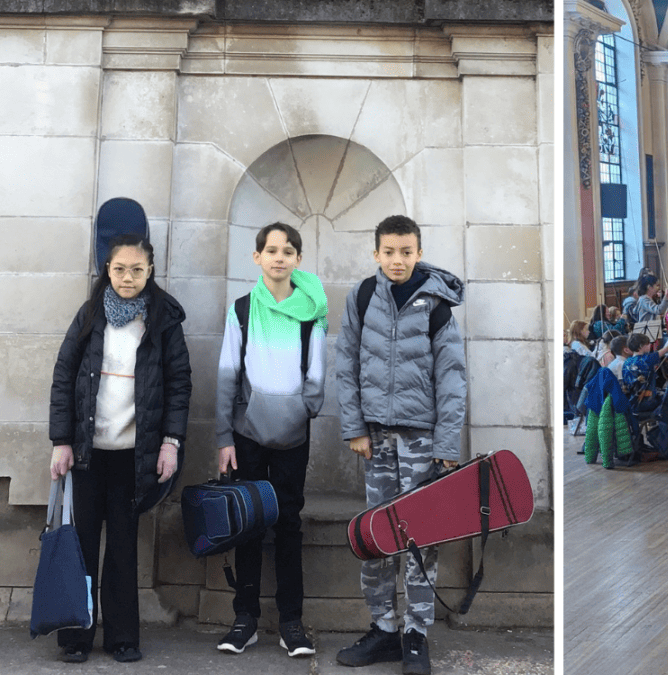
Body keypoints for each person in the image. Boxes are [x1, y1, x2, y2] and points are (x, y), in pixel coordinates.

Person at [49, 234, 192, 663]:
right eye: (119, 269)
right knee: (84, 543)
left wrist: (171, 443)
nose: (127, 277)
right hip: (88, 452)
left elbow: (179, 385)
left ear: (150, 271)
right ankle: (76, 636)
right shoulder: (90, 315)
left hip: (135, 455)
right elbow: (63, 375)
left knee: (124, 548)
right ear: (106, 271)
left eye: (136, 270)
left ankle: (123, 637)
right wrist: (61, 441)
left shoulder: (164, 319)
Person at [334, 215, 466, 674]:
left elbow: (452, 377)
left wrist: (447, 443)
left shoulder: (436, 305)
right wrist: (354, 428)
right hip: (375, 441)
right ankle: (384, 629)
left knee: (420, 539)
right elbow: (346, 361)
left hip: (421, 440)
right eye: (389, 252)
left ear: (418, 251)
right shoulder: (363, 296)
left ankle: (415, 635)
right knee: (378, 536)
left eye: (406, 252)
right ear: (376, 253)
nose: (397, 260)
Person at [215, 223, 328, 658]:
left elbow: (316, 374)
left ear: (298, 259)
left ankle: (291, 622)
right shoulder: (242, 309)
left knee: (288, 524)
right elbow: (229, 372)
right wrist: (225, 435)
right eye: (271, 250)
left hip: (293, 435)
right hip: (246, 435)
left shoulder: (312, 311)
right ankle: (244, 620)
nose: (279, 257)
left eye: (288, 251)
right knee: (246, 522)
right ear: (257, 257)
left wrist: (302, 411)